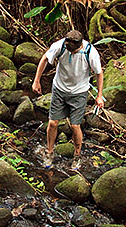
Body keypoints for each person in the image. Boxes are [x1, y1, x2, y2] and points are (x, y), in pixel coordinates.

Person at [32, 29, 104, 169]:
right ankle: (50, 152)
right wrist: (36, 80)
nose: (71, 52)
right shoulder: (60, 46)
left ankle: (77, 155)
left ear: (79, 45)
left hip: (79, 92)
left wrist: (99, 95)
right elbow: (45, 58)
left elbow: (99, 73)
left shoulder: (90, 52)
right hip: (59, 88)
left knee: (75, 125)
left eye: (73, 51)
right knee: (53, 123)